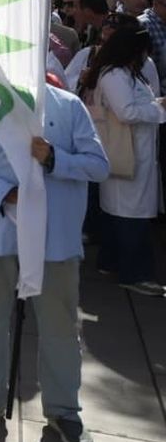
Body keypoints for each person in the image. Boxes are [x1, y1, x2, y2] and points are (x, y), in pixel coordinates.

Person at [0, 81, 109, 442]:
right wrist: (2, 191)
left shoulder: (67, 106)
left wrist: (55, 159)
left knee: (59, 325)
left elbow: (99, 165)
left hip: (55, 240)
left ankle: (63, 410)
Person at [80, 18, 166, 296]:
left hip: (135, 153)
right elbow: (126, 112)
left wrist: (154, 105)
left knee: (120, 214)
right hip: (127, 154)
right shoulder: (115, 75)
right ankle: (136, 273)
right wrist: (159, 111)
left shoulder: (127, 73)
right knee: (131, 217)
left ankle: (112, 262)